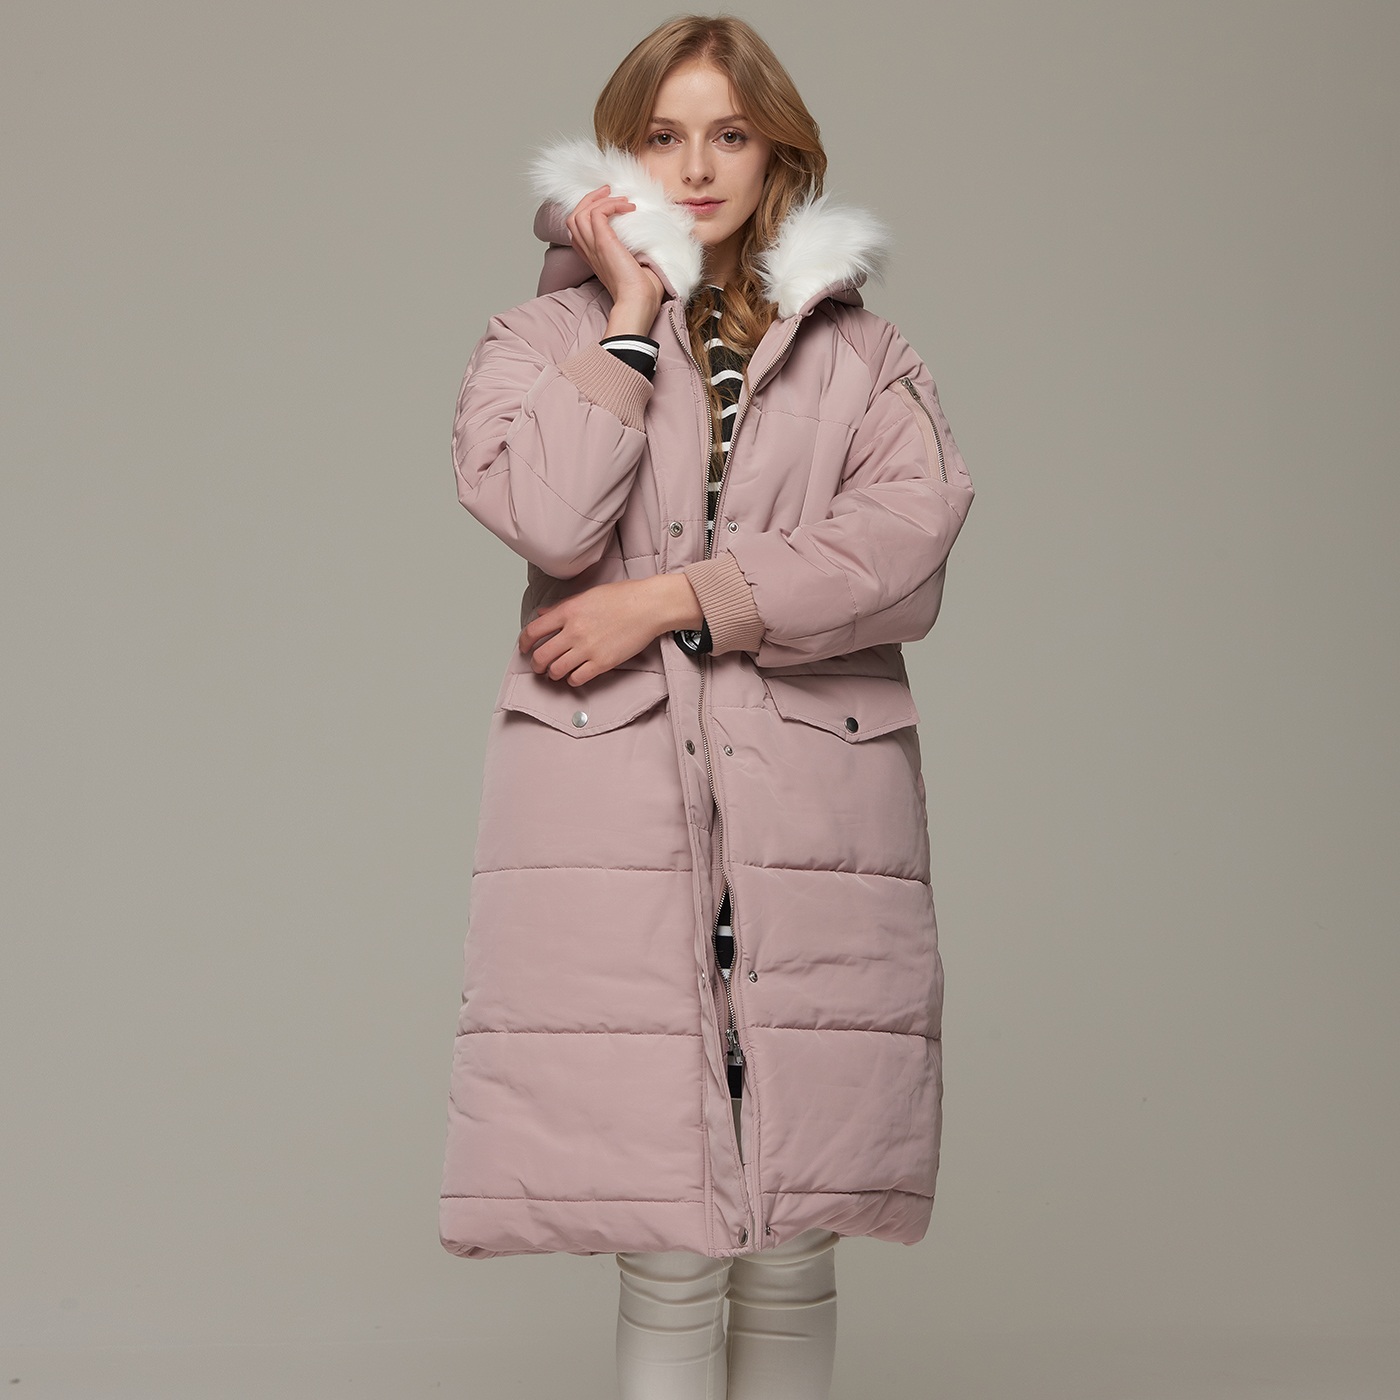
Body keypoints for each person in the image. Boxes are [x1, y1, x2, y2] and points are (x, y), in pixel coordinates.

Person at [439, 14, 975, 1399]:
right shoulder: (537, 338)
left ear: (776, 151)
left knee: (795, 1243)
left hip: (814, 818)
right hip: (618, 822)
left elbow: (903, 550)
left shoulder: (862, 353)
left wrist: (672, 600)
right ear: (619, 156)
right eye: (664, 136)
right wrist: (625, 318)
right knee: (669, 1250)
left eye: (729, 135)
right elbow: (551, 516)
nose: (696, 168)